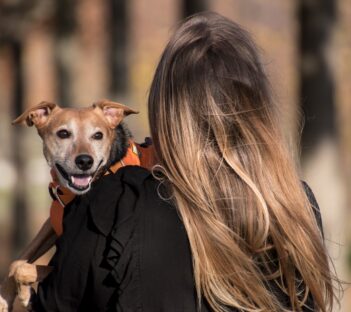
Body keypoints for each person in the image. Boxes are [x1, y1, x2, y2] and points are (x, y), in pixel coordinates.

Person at [33, 12, 336, 312]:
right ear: (258, 109)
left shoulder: (114, 203)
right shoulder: (297, 205)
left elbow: (54, 303)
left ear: (164, 110)